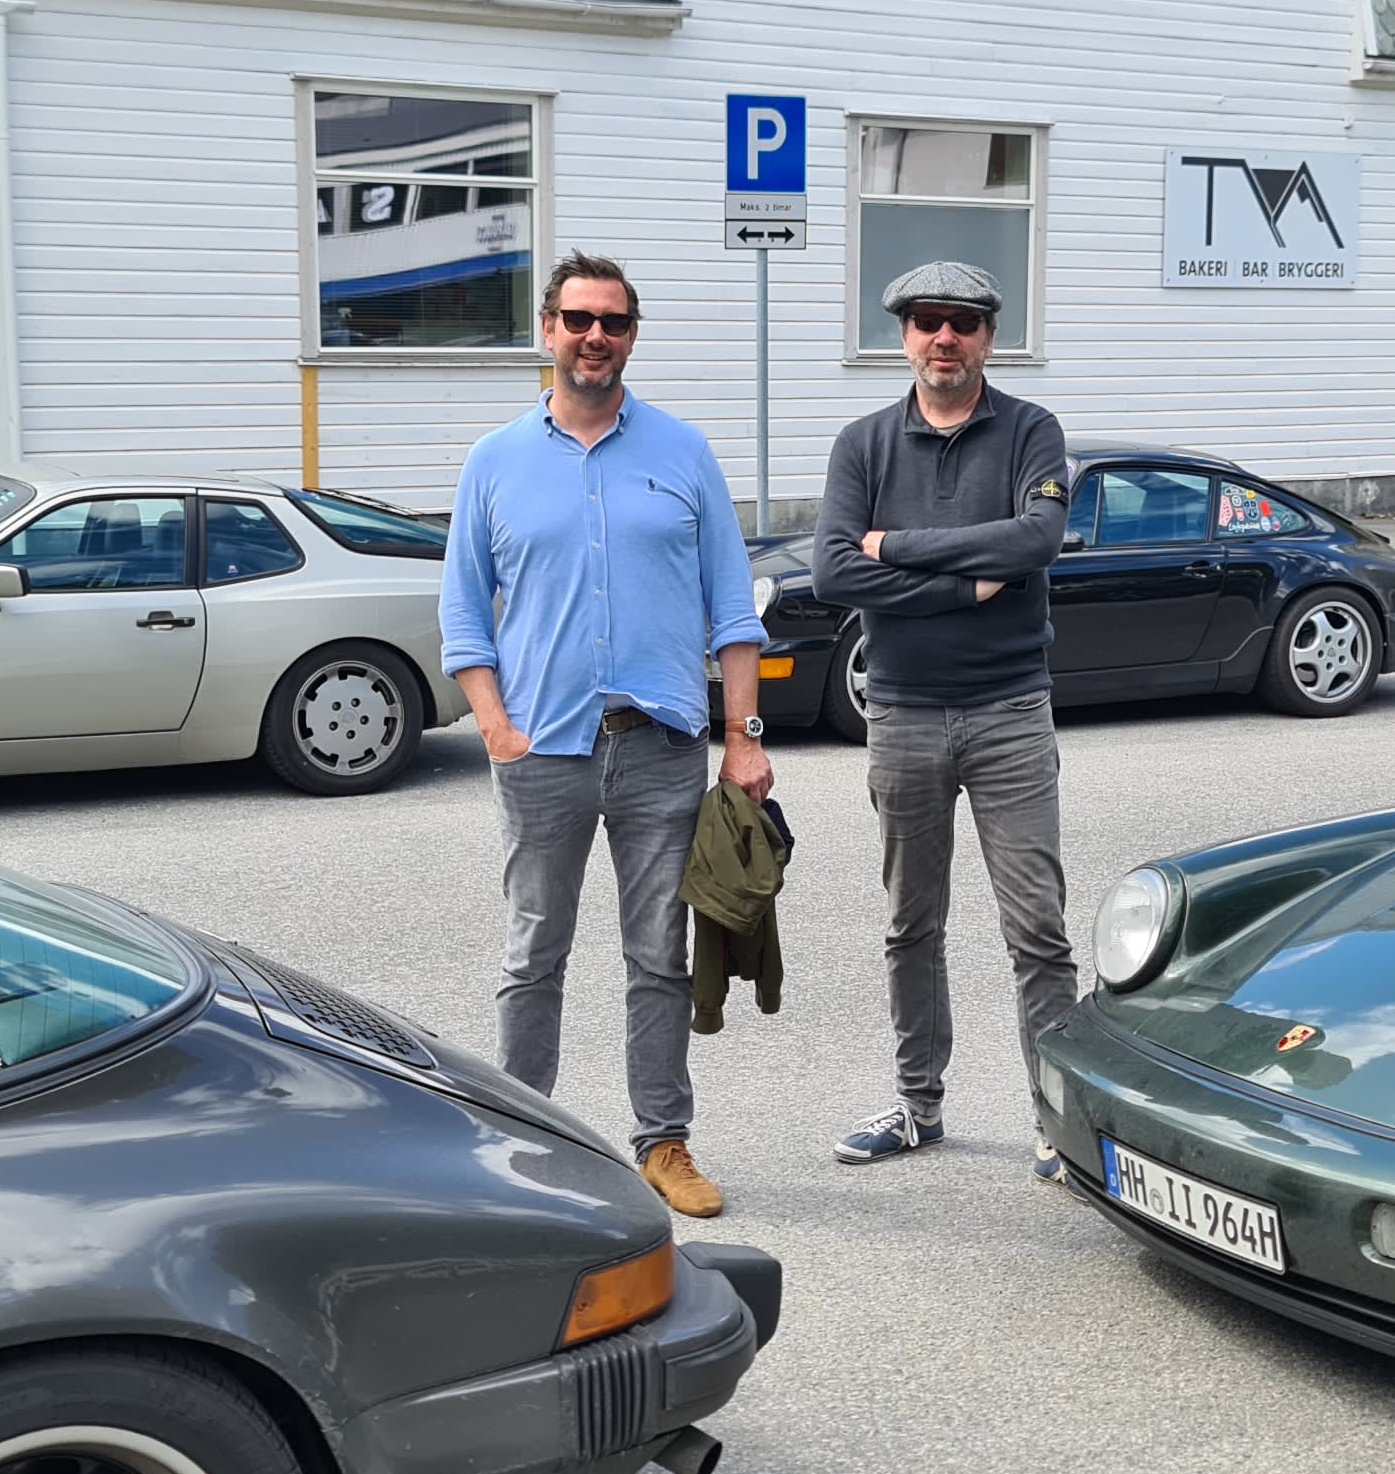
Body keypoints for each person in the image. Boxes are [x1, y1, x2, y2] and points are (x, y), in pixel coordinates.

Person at [440, 250, 773, 1219]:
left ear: (632, 336)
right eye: (579, 319)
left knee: (657, 957)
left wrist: (743, 736)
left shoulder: (683, 453)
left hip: (659, 748)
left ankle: (662, 1142)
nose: (596, 337)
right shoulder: (494, 460)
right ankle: (520, 1140)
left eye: (614, 322)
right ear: (547, 329)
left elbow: (732, 609)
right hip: (540, 751)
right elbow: (463, 608)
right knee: (532, 954)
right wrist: (496, 726)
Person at [812, 261, 1081, 1180]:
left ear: (989, 337)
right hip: (902, 715)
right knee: (911, 925)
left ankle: (1058, 1125)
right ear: (905, 335)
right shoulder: (862, 445)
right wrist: (968, 584)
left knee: (1037, 930)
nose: (944, 338)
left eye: (962, 322)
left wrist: (896, 548)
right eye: (927, 321)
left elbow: (1038, 539)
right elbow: (835, 572)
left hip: (1010, 712)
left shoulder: (1032, 431)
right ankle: (918, 1106)